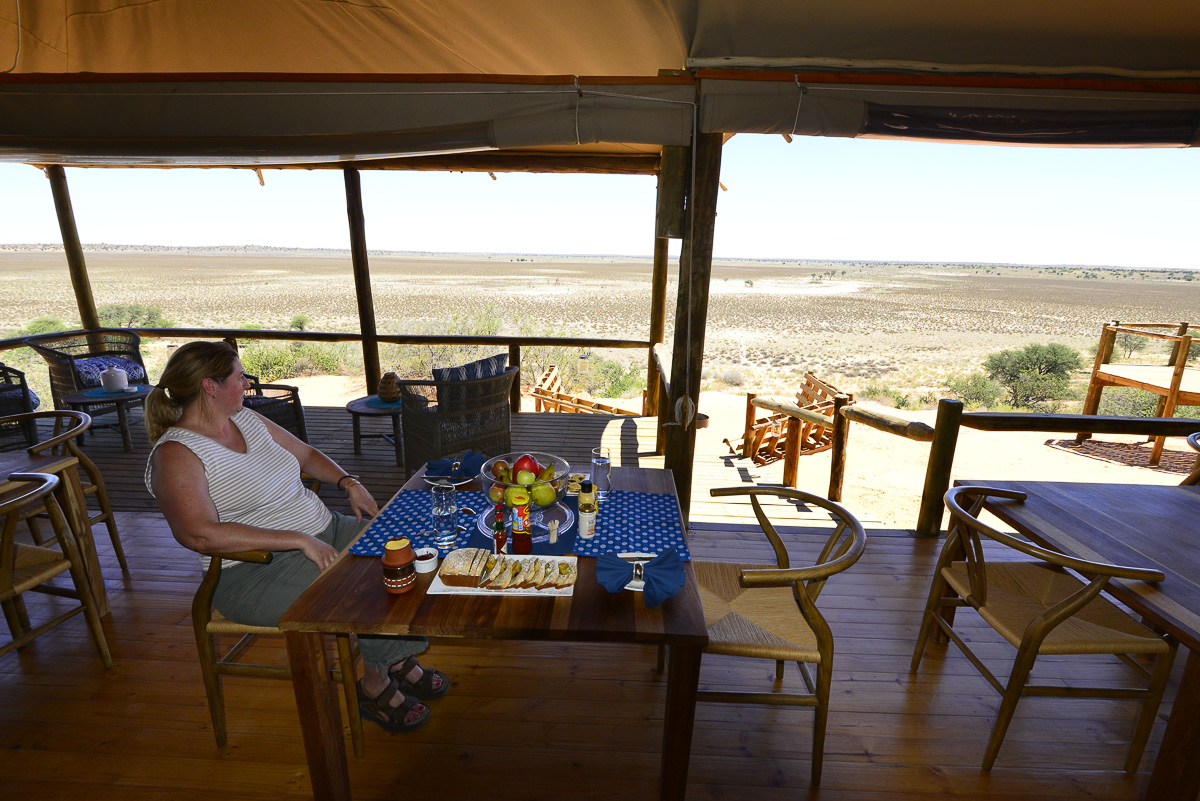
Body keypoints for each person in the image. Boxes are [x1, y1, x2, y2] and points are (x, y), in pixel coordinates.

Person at [144, 340, 445, 733]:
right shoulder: (176, 454)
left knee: (412, 547)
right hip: (252, 571)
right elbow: (198, 535)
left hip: (325, 530)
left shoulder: (247, 420)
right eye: (240, 378)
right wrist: (297, 539)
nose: (248, 386)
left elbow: (305, 456)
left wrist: (347, 481)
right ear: (209, 386)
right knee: (375, 582)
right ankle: (375, 684)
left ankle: (388, 654)